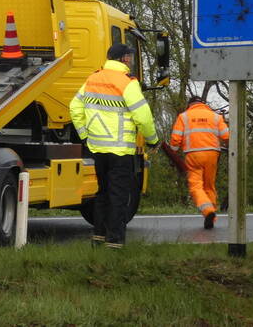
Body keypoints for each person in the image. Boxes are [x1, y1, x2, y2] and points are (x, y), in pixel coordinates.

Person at [70, 43, 159, 249]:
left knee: (101, 193)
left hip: (98, 149)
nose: (131, 60)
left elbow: (75, 106)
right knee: (118, 195)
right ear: (123, 59)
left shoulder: (93, 78)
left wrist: (85, 135)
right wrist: (153, 139)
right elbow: (143, 116)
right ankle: (115, 242)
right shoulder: (127, 82)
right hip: (121, 150)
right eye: (129, 57)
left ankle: (98, 238)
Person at [169, 94, 230, 229]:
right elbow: (227, 135)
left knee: (196, 186)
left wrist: (172, 152)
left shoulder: (184, 117)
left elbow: (175, 140)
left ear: (189, 105)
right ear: (203, 104)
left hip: (193, 155)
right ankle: (212, 215)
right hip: (212, 154)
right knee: (209, 186)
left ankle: (208, 211)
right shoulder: (215, 117)